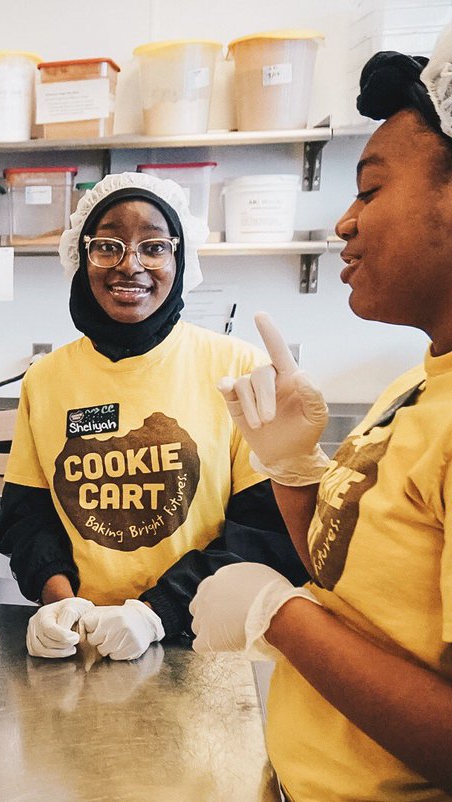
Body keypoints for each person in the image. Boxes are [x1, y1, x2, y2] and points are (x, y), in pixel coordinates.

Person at [191, 36, 452, 800]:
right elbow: (350, 586)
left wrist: (281, 619)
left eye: (370, 192)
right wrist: (295, 473)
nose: (343, 223)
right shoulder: (417, 387)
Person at [0, 172, 307, 661]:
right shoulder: (47, 379)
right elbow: (26, 519)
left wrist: (156, 612)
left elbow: (268, 533)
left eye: (154, 247)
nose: (130, 266)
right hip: (84, 641)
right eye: (108, 246)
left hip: (207, 643)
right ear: (81, 257)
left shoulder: (236, 369)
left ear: (180, 259)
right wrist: (61, 603)